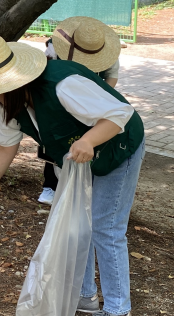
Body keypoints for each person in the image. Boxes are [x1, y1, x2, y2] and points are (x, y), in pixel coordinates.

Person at [0, 32, 145, 316]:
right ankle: (85, 295)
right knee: (76, 224)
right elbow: (4, 149)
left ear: (8, 81)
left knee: (105, 227)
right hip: (77, 159)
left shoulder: (63, 85)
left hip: (118, 145)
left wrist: (89, 140)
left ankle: (117, 308)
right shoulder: (9, 107)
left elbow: (119, 114)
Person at [39, 17, 121, 205]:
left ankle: (83, 188)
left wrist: (101, 98)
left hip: (89, 103)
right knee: (55, 139)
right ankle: (51, 186)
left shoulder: (107, 51)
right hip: (58, 99)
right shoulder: (54, 48)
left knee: (87, 141)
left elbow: (112, 76)